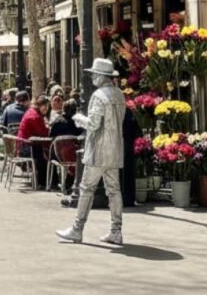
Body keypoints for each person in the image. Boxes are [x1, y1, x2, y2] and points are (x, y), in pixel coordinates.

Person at [57, 58, 126, 245]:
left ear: (103, 76)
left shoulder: (98, 96)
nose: (93, 77)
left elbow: (94, 124)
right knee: (114, 190)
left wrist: (79, 118)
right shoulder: (119, 95)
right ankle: (116, 230)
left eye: (95, 74)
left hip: (97, 151)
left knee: (86, 189)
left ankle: (77, 229)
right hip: (115, 150)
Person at [18, 95, 51, 189]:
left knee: (42, 151)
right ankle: (43, 183)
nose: (46, 108)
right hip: (26, 148)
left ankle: (43, 182)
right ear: (39, 106)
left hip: (23, 145)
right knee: (45, 156)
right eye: (44, 106)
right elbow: (44, 133)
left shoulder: (31, 111)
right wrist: (48, 128)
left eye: (47, 106)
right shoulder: (35, 117)